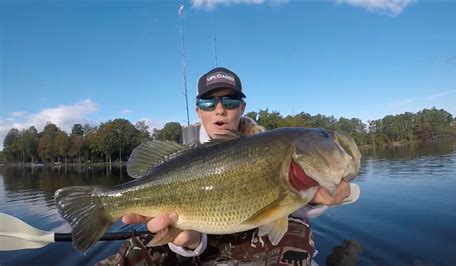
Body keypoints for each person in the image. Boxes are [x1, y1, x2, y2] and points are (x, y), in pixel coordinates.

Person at [97, 67, 360, 265]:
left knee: (296, 232)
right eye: (209, 103)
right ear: (198, 110)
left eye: (230, 101)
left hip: (256, 240)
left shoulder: (268, 147)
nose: (220, 110)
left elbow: (296, 209)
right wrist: (187, 240)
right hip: (196, 241)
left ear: (242, 107)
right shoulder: (182, 158)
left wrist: (320, 197)